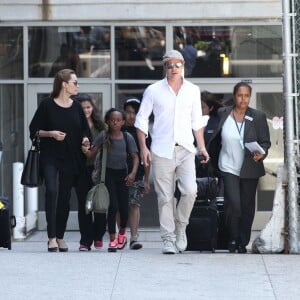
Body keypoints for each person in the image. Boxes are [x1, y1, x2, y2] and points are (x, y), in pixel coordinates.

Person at [135, 49, 209, 254]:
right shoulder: (153, 90)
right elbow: (141, 120)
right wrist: (143, 148)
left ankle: (181, 226)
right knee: (165, 197)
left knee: (190, 191)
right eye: (170, 65)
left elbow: (197, 122)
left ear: (183, 66)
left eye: (178, 64)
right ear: (165, 68)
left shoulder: (193, 90)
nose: (174, 68)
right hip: (161, 150)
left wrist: (201, 146)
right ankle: (168, 239)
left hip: (186, 149)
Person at [29, 69, 90, 252]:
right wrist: (51, 134)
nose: (77, 86)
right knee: (52, 192)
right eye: (75, 82)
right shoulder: (47, 105)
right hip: (50, 156)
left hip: (71, 157)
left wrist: (86, 139)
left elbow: (85, 130)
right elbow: (34, 131)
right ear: (65, 84)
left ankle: (61, 236)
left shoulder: (77, 106)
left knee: (64, 198)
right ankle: (51, 237)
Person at [208, 81, 271, 253]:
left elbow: (265, 142)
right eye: (239, 95)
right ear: (234, 96)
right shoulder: (223, 113)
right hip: (228, 166)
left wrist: (262, 153)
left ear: (249, 97)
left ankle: (243, 242)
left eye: (246, 96)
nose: (243, 99)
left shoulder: (258, 116)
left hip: (250, 167)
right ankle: (232, 239)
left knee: (247, 207)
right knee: (233, 204)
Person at [82, 108, 139, 252]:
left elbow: (135, 157)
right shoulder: (103, 135)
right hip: (107, 175)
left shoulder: (127, 137)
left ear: (123, 122)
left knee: (124, 208)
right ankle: (113, 239)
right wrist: (85, 148)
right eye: (112, 120)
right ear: (107, 121)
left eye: (118, 120)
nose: (115, 122)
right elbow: (90, 154)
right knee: (112, 206)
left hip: (123, 176)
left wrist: (132, 174)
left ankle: (122, 234)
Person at [75, 93, 106, 251]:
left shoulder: (100, 126)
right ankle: (85, 241)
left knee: (100, 204)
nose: (86, 110)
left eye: (88, 107)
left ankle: (99, 235)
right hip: (81, 170)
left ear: (92, 108)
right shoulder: (74, 124)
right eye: (82, 108)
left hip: (99, 170)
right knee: (84, 205)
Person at [123, 98, 151, 250]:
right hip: (118, 172)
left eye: (134, 112)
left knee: (134, 204)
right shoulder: (118, 129)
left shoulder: (143, 132)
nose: (131, 116)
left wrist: (147, 179)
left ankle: (134, 237)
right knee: (119, 206)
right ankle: (121, 235)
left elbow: (147, 158)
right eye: (128, 112)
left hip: (138, 173)